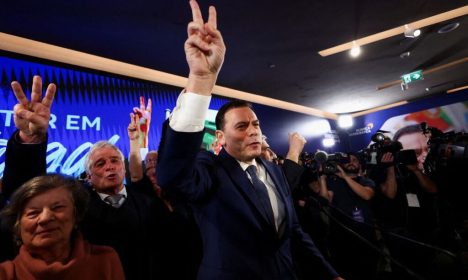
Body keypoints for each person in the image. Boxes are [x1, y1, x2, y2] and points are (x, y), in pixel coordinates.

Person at [156, 1, 342, 279]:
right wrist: (201, 79)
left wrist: (330, 274)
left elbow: (293, 232)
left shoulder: (273, 171)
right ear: (220, 137)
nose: (253, 131)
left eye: (255, 124)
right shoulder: (210, 170)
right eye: (242, 126)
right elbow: (172, 176)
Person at [3, 75, 169, 280]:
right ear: (89, 176)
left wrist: (138, 140)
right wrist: (31, 139)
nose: (109, 167)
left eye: (115, 161)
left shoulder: (145, 201)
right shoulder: (74, 204)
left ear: (123, 168)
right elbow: (28, 192)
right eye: (100, 163)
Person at [0, 174, 125, 280]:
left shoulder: (105, 260)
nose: (45, 218)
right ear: (18, 225)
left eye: (57, 208)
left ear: (76, 215)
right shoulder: (6, 273)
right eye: (33, 213)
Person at [319, 153, 378, 280]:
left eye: (354, 160)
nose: (351, 162)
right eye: (347, 161)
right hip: (340, 237)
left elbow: (366, 195)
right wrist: (323, 180)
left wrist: (345, 177)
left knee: (367, 271)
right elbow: (325, 201)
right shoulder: (334, 182)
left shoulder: (366, 181)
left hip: (364, 237)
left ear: (360, 165)